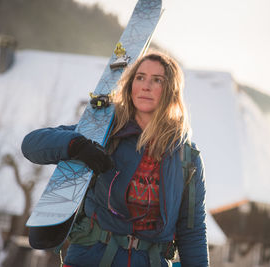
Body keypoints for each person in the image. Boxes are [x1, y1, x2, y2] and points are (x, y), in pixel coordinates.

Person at [21, 52, 209, 267]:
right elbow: (31, 144)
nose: (146, 86)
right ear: (130, 84)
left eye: (157, 80)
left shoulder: (187, 158)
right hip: (90, 258)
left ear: (171, 91)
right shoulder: (103, 133)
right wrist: (76, 146)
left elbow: (192, 231)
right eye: (140, 77)